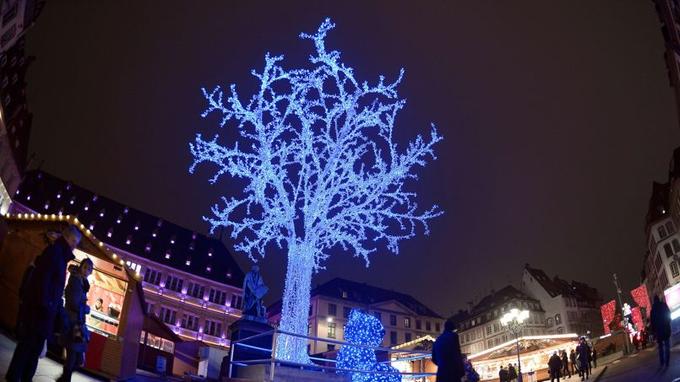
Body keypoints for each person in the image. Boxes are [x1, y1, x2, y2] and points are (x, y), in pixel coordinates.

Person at [5, 226, 82, 382]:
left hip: (43, 313)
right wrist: (47, 305)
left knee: (31, 350)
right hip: (39, 313)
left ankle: (21, 377)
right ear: (66, 237)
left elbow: (51, 286)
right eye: (74, 241)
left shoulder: (59, 254)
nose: (75, 245)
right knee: (28, 349)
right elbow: (43, 282)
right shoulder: (55, 253)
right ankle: (16, 377)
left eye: (77, 242)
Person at [58, 258, 93, 382]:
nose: (87, 271)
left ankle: (63, 378)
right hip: (71, 321)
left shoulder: (82, 283)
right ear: (80, 267)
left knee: (77, 358)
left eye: (89, 269)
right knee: (73, 357)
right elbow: (73, 303)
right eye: (85, 267)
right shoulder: (75, 280)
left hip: (77, 323)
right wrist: (86, 309)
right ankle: (65, 379)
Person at [650, 295, 672, 368]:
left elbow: (652, 322)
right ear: (659, 299)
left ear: (654, 301)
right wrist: (668, 322)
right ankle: (667, 362)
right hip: (666, 328)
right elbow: (668, 314)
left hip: (659, 331)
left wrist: (654, 332)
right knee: (667, 345)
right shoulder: (663, 305)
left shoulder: (653, 310)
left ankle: (662, 362)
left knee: (660, 347)